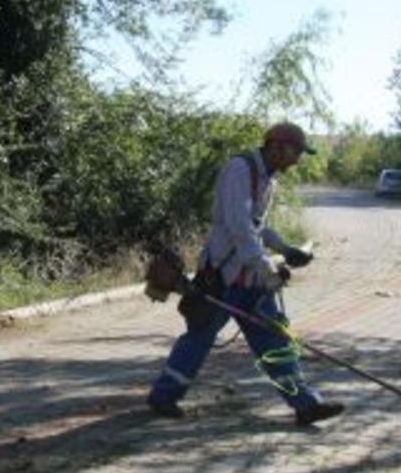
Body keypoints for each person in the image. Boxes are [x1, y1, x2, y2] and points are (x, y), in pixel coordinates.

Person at [147, 122, 345, 426]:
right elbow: (239, 227)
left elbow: (256, 225)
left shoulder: (268, 179)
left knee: (276, 342)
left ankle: (306, 405)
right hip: (223, 277)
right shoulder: (239, 170)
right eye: (296, 152)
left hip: (251, 280)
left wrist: (285, 248)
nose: (297, 160)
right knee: (199, 338)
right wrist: (267, 269)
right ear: (277, 147)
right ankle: (163, 396)